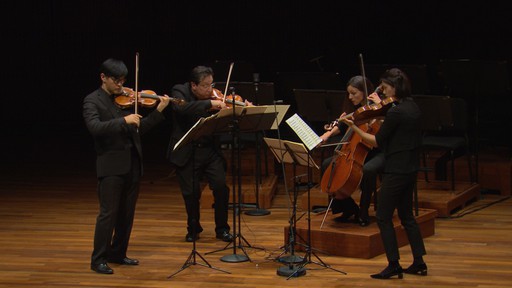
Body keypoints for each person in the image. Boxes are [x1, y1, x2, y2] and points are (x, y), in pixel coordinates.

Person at [83, 58, 171, 274]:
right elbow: (95, 127)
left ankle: (118, 253)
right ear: (103, 78)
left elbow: (139, 128)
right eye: (116, 81)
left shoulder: (125, 100)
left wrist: (159, 111)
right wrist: (124, 120)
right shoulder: (92, 101)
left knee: (126, 214)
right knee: (108, 214)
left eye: (123, 81)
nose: (121, 86)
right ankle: (98, 259)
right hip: (111, 166)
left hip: (132, 164)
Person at [340, 68, 427, 279]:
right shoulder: (412, 106)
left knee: (383, 216)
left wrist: (355, 127)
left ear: (395, 87)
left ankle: (394, 264)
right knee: (407, 216)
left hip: (396, 169)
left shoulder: (395, 112)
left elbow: (376, 141)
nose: (383, 92)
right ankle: (419, 262)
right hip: (410, 168)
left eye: (385, 88)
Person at [167, 65, 233, 243]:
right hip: (187, 150)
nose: (210, 90)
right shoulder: (179, 91)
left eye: (211, 85)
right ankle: (193, 228)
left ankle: (222, 229)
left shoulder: (214, 96)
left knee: (220, 187)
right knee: (191, 193)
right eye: (205, 86)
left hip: (209, 150)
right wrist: (209, 104)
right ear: (193, 85)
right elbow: (182, 109)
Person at [319, 75, 384, 227]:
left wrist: (378, 115)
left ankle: (363, 210)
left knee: (368, 170)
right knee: (327, 165)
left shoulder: (377, 109)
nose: (350, 96)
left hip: (375, 150)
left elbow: (381, 135)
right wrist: (327, 135)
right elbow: (341, 124)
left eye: (354, 93)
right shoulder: (354, 109)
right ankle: (348, 208)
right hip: (356, 150)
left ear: (364, 91)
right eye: (349, 93)